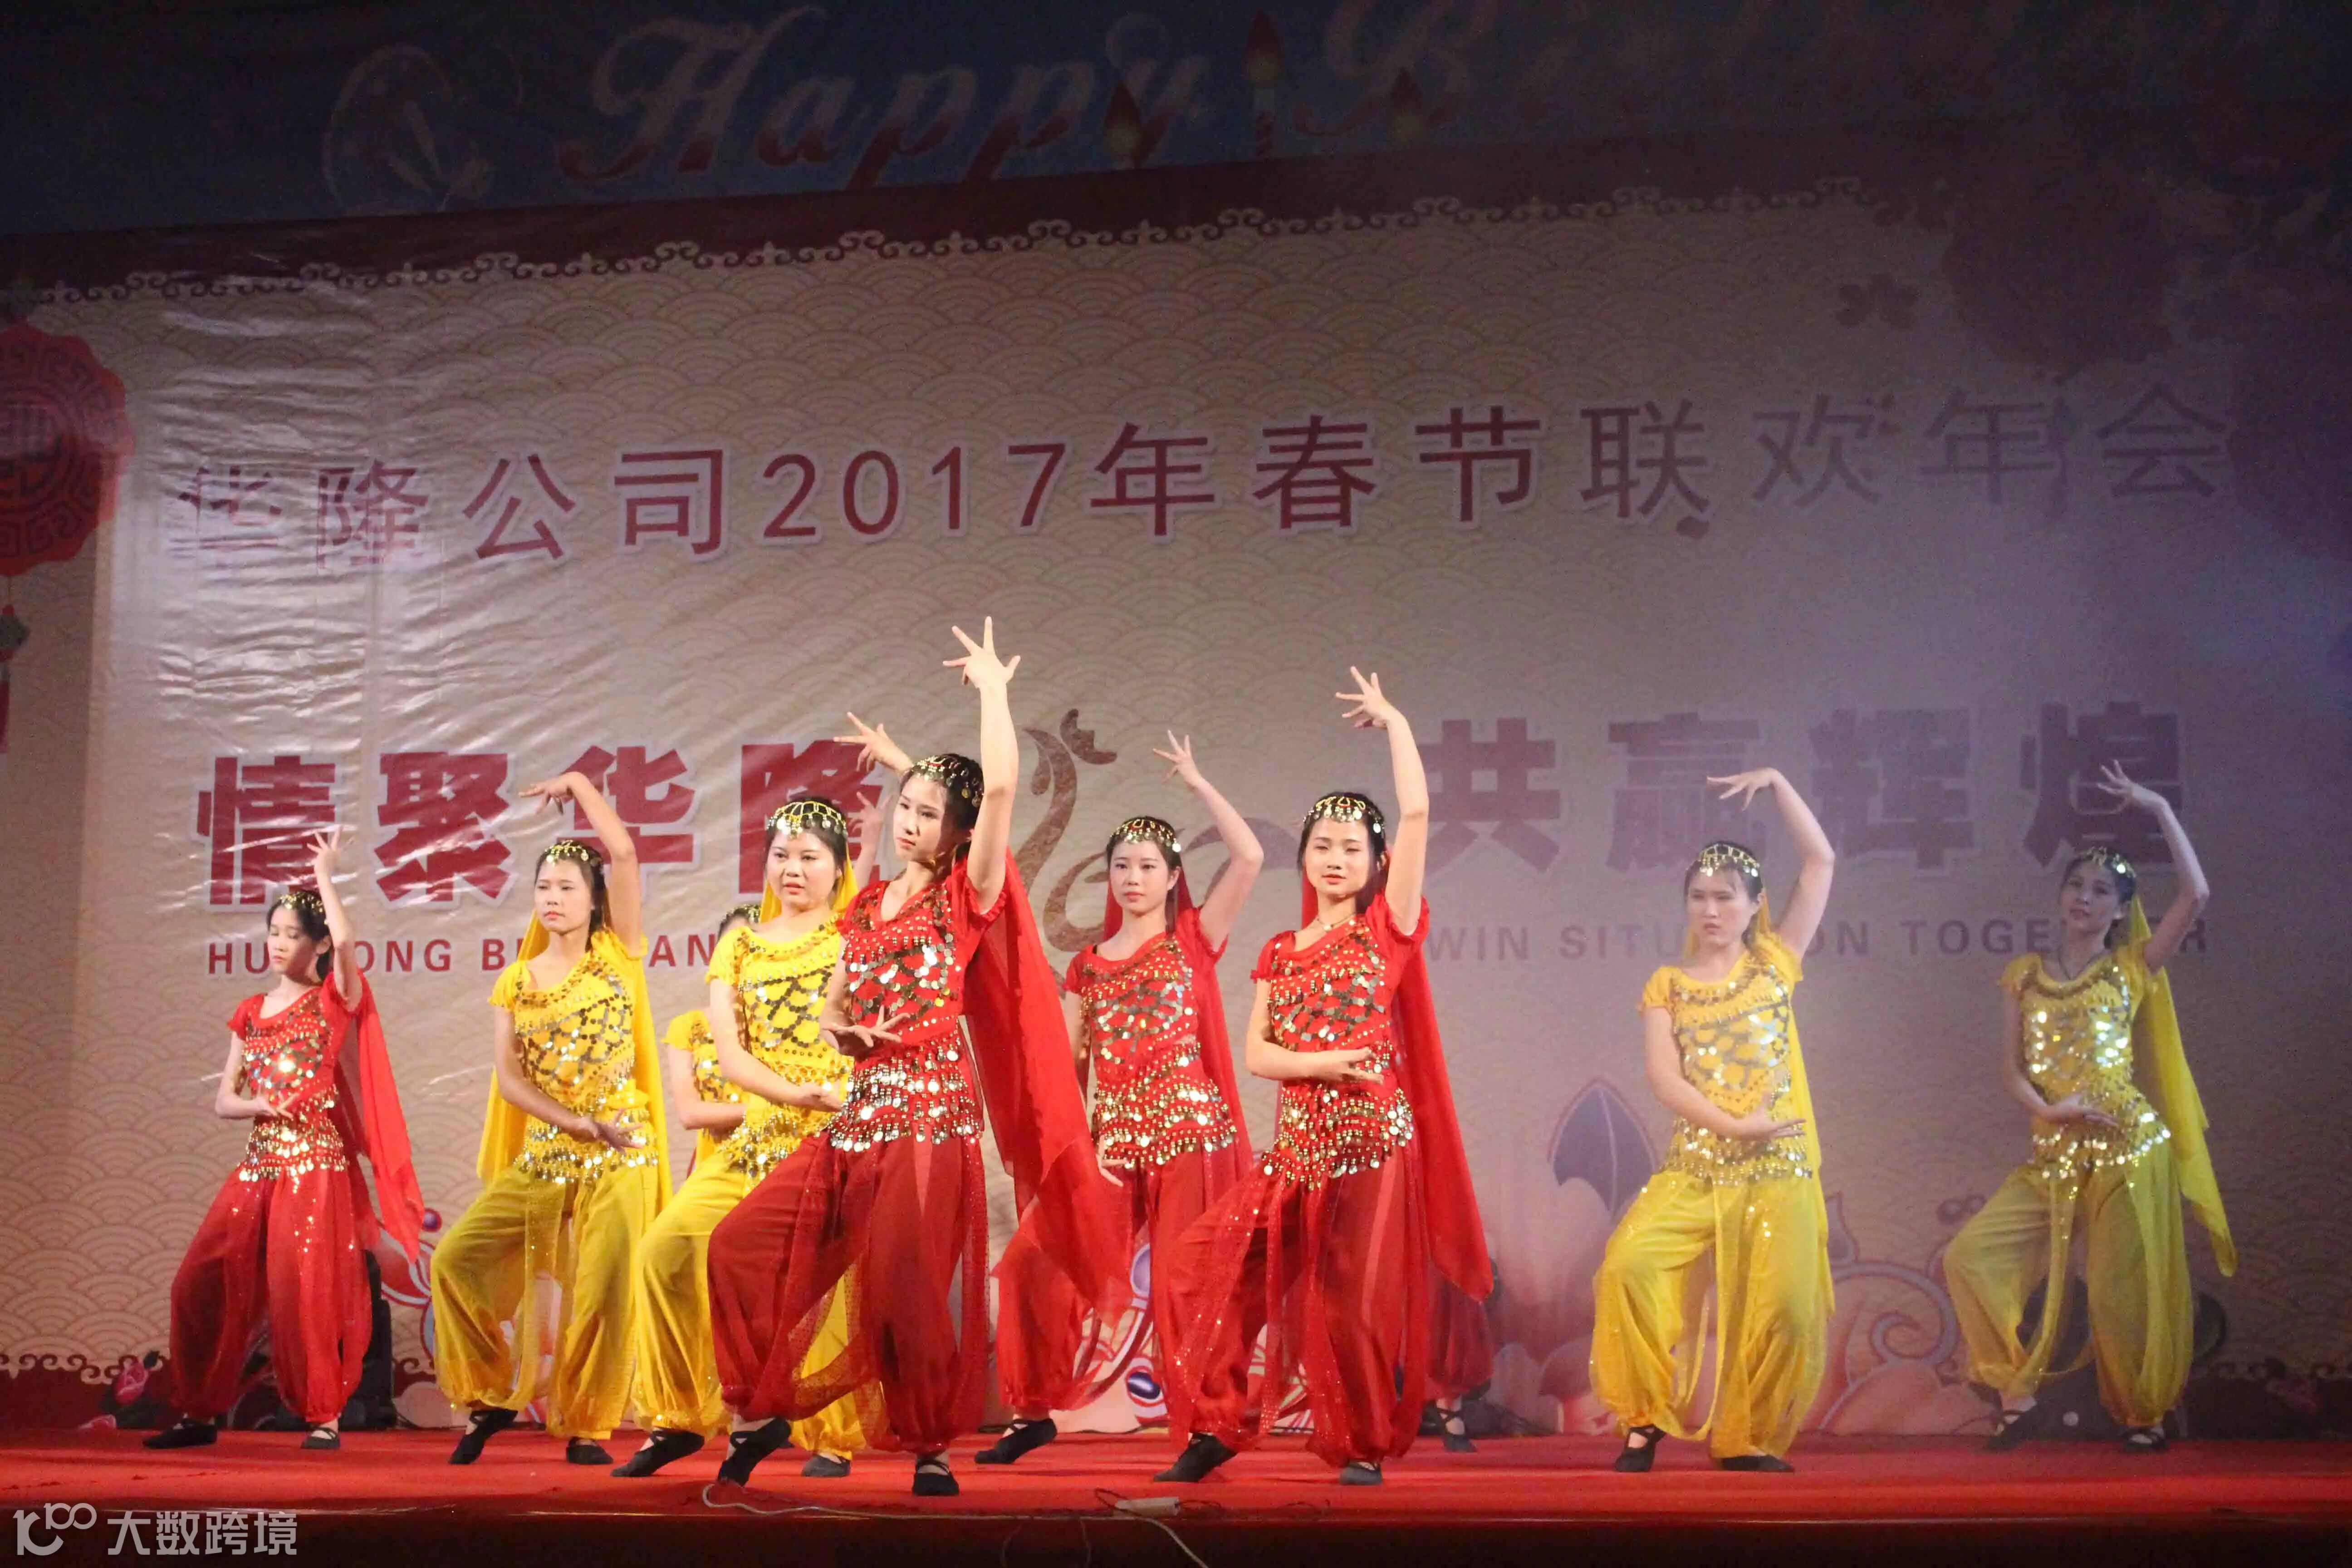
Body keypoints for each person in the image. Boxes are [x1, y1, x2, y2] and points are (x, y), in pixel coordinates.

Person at [706, 622, 1124, 1496]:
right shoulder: (867, 903)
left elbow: (998, 784)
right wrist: (842, 1032)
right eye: (905, 806)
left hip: (929, 1116)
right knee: (739, 1246)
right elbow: (834, 1003)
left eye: (928, 813)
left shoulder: (966, 895)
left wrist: (993, 691)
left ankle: (930, 1445)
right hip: (859, 1114)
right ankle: (761, 1407)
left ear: (961, 833)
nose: (906, 822)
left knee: (904, 1290)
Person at [1162, 670, 1489, 1486]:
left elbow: (1416, 813)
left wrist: (1397, 723)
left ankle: (1361, 1445)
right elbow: (1258, 1055)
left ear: (1377, 863)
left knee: (1348, 1304)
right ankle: (1216, 1423)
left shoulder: (1386, 931)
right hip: (1297, 1151)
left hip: (1370, 1146)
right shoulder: (1281, 949)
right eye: (1322, 846)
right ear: (1304, 857)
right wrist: (1319, 1065)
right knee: (1205, 1268)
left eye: (1352, 848)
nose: (1335, 859)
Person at [978, 734, 1263, 1465]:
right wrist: (1078, 1152)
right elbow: (1065, 1070)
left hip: (1189, 1138)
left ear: (1173, 878)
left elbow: (1250, 858)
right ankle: (1033, 1409)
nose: (1132, 878)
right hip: (1114, 1146)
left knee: (1183, 1285)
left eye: (1147, 867)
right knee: (1035, 1262)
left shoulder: (1193, 939)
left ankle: (1208, 1427)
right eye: (1121, 866)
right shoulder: (1088, 966)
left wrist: (1198, 782)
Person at [1942, 763, 2231, 1454]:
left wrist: (2159, 807)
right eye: (2077, 885)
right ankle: (2016, 1398)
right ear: (2060, 895)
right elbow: (2011, 1072)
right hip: (2054, 1150)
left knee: (2116, 1291)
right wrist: (2052, 1109)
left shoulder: (2131, 967)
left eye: (2102, 891)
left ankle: (2142, 1416)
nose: (2085, 897)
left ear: (2120, 909)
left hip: (2126, 1147)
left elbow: (2196, 893)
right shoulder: (2026, 975)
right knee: (1971, 1257)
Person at [1588, 767, 1837, 1473]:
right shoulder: (1668, 985)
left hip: (1778, 1172)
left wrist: (1782, 784)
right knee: (1629, 1266)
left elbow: (1820, 862)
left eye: (1726, 896)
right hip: (1698, 1168)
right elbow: (1664, 1078)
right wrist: (1732, 1126)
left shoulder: (1776, 965)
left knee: (1787, 1312)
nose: (1711, 909)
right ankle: (1644, 1419)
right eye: (1699, 896)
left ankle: (1746, 1438)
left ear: (1755, 907)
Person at [147, 828, 422, 1452]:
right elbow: (224, 1099)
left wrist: (326, 872)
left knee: (304, 1290)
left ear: (316, 944)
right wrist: (259, 1104)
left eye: (292, 934)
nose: (277, 943)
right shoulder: (250, 1010)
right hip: (261, 1162)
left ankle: (323, 1414)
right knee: (198, 1282)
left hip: (315, 1164)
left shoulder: (332, 1001)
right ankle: (198, 1412)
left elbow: (347, 942)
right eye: (273, 932)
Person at [617, 803, 870, 1478]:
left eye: (810, 857)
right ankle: (679, 1416)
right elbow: (729, 1056)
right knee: (665, 1251)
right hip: (759, 1134)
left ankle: (828, 1434)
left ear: (840, 868)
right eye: (782, 855)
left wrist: (832, 1100)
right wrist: (791, 1095)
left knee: (816, 1283)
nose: (793, 869)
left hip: (831, 1139)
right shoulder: (740, 945)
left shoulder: (856, 936)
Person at [431, 773, 668, 1466]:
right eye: (544, 887)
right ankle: (489, 1397)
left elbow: (624, 853)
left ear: (595, 900)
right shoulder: (516, 980)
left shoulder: (618, 953)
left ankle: (588, 1426)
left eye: (568, 887)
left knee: (602, 1290)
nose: (553, 898)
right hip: (550, 1150)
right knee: (456, 1260)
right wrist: (572, 1124)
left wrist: (581, 785)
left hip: (622, 1150)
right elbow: (510, 1080)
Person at [661, 903, 760, 1178]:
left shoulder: (788, 1025)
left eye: (754, 947)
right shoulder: (689, 1027)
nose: (741, 956)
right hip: (716, 1168)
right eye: (734, 945)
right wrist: (765, 1111)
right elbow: (690, 1113)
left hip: (780, 1161)